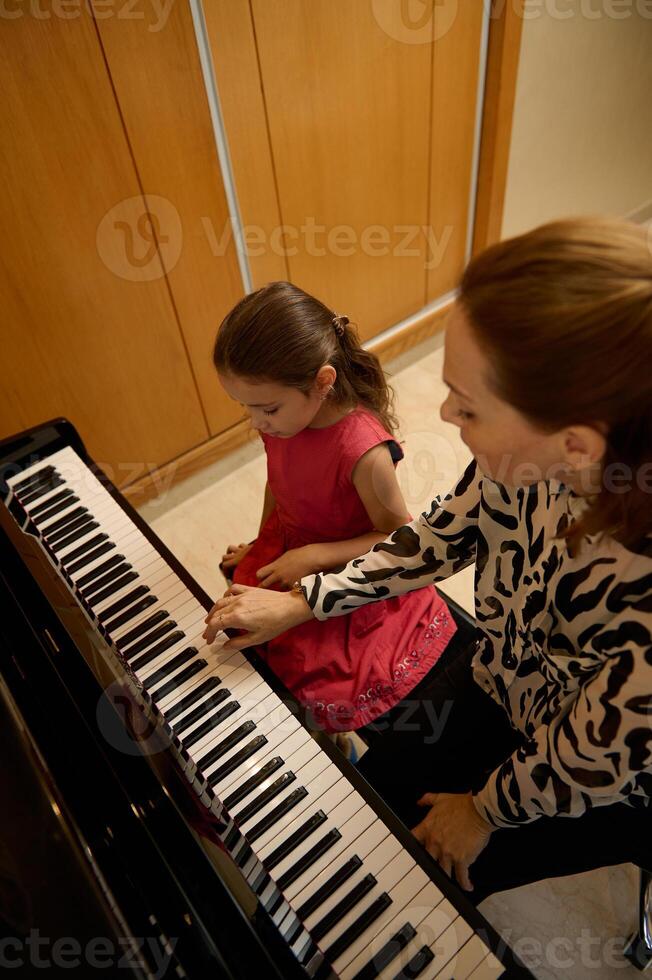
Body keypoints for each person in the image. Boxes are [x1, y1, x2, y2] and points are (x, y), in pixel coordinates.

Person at [203, 217, 652, 902]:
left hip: (600, 779)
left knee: (405, 884)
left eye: (467, 406)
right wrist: (306, 601)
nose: (443, 415)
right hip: (511, 685)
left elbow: (599, 753)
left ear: (578, 445)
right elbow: (437, 537)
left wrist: (483, 809)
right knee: (356, 810)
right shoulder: (518, 464)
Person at [210, 280, 458, 736]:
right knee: (243, 626)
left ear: (323, 382)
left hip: (349, 568)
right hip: (296, 545)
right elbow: (278, 483)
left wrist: (314, 556)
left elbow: (397, 538)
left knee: (325, 686)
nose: (257, 422)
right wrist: (262, 540)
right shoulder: (283, 422)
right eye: (246, 408)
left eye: (266, 409)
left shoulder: (364, 450)